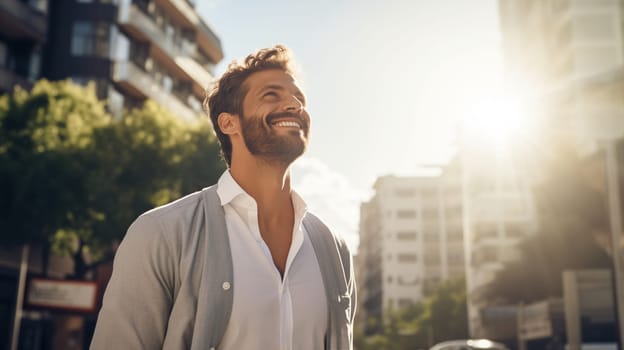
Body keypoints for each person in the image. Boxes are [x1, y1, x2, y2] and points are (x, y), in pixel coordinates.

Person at [90, 45, 356, 350]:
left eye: (299, 98)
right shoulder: (162, 234)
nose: (295, 105)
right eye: (271, 95)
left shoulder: (335, 249)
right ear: (229, 123)